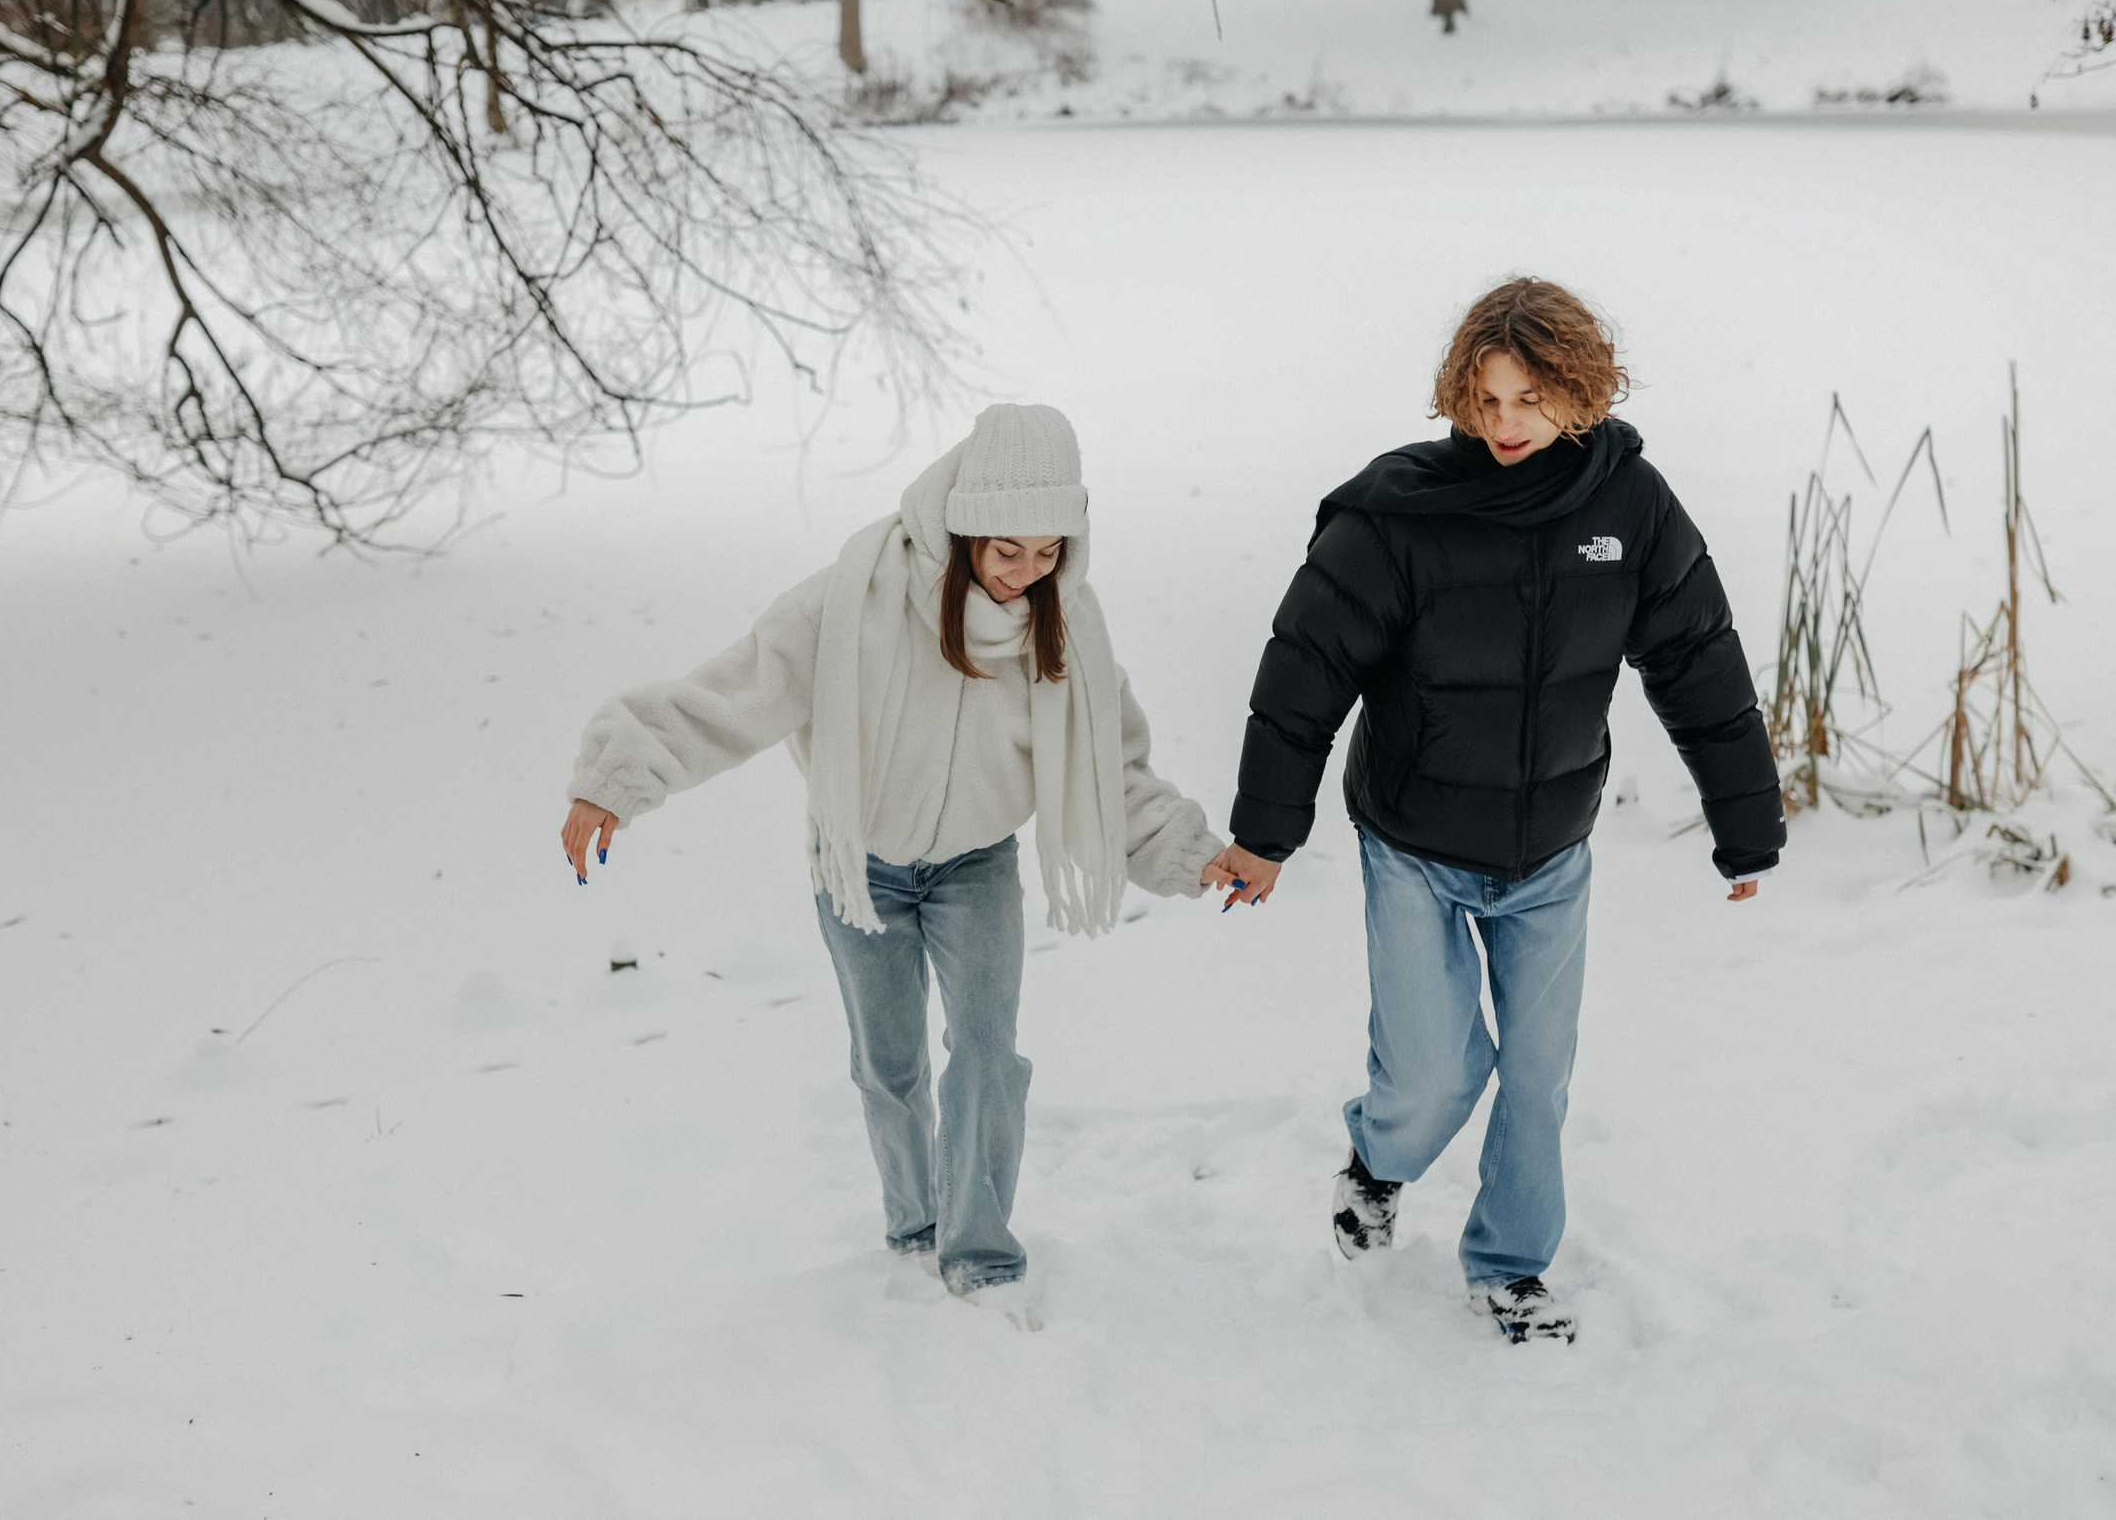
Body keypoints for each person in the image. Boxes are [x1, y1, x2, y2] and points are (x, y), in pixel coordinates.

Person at [562, 404, 1235, 1325]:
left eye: (1048, 552)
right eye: (1006, 550)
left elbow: (1114, 771)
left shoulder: (1066, 626)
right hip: (859, 865)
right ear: (961, 527)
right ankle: (914, 1223)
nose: (1025, 573)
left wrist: (1196, 855)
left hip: (976, 867)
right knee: (888, 1066)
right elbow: (735, 691)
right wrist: (619, 774)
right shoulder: (853, 595)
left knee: (987, 1057)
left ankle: (981, 1250)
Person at [1211, 279, 1784, 1345]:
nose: (1507, 423)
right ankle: (1378, 1162)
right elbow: (1303, 674)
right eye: (1485, 399)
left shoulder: (1631, 508)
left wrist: (1745, 825)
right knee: (1434, 1074)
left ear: (1581, 392)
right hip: (1416, 843)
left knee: (1535, 1076)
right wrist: (1263, 833)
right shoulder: (1398, 515)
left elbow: (1701, 663)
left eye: (1530, 398)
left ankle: (1510, 1267)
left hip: (1549, 850)